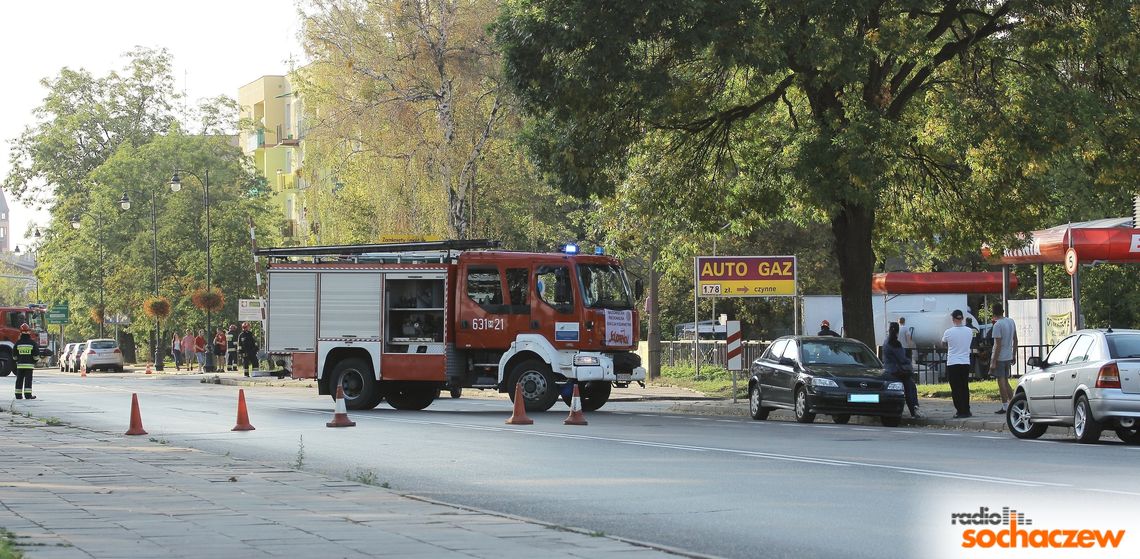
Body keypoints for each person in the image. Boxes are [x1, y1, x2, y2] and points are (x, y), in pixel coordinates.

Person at [883, 321, 922, 418]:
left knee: (909, 387)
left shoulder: (886, 342)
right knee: (910, 387)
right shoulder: (895, 343)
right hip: (899, 371)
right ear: (897, 331)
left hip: (889, 369)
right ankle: (914, 409)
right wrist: (908, 361)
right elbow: (902, 358)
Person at [941, 309, 975, 418]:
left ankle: (960, 410)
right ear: (962, 319)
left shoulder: (948, 332)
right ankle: (966, 409)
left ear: (953, 319)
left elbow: (943, 344)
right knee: (964, 386)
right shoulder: (969, 331)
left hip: (953, 362)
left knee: (955, 388)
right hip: (965, 361)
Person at [990, 302, 1018, 414]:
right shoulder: (1011, 321)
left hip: (1000, 356)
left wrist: (993, 361)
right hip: (1008, 354)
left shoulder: (997, 325)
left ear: (993, 313)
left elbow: (998, 344)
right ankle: (1013, 403)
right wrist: (1014, 354)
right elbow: (1015, 339)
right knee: (1006, 380)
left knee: (1001, 381)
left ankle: (1005, 405)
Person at [14, 324, 39, 400]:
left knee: (19, 380)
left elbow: (14, 355)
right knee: (28, 380)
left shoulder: (18, 343)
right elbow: (36, 355)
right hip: (29, 365)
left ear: (20, 333)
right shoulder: (32, 343)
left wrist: (17, 360)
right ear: (29, 332)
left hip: (20, 365)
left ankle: (18, 395)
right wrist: (34, 361)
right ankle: (28, 395)